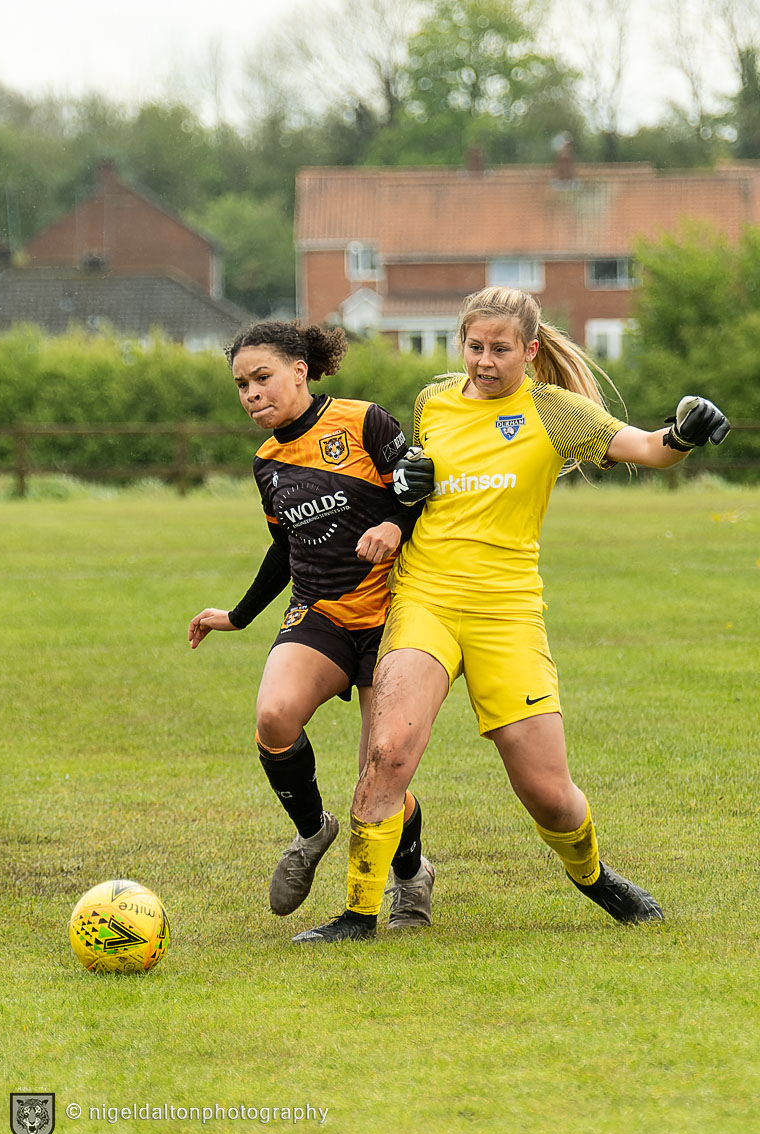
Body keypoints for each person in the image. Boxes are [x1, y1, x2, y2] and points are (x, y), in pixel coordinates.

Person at [292, 285, 730, 943]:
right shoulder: (433, 402)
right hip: (425, 601)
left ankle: (594, 876)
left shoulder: (555, 412)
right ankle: (357, 914)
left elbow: (647, 449)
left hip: (506, 613)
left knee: (550, 796)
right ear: (460, 344)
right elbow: (416, 481)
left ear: (529, 350)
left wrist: (683, 434)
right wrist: (405, 489)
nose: (484, 361)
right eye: (474, 346)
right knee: (387, 752)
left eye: (500, 349)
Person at [188, 320, 434, 927]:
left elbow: (422, 487)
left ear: (300, 370)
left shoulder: (363, 421)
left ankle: (411, 877)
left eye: (262, 377)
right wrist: (239, 616)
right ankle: (310, 830)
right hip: (318, 612)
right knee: (273, 716)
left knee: (380, 768)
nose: (251, 394)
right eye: (242, 385)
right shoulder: (267, 462)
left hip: (390, 614)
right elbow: (284, 546)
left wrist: (396, 526)